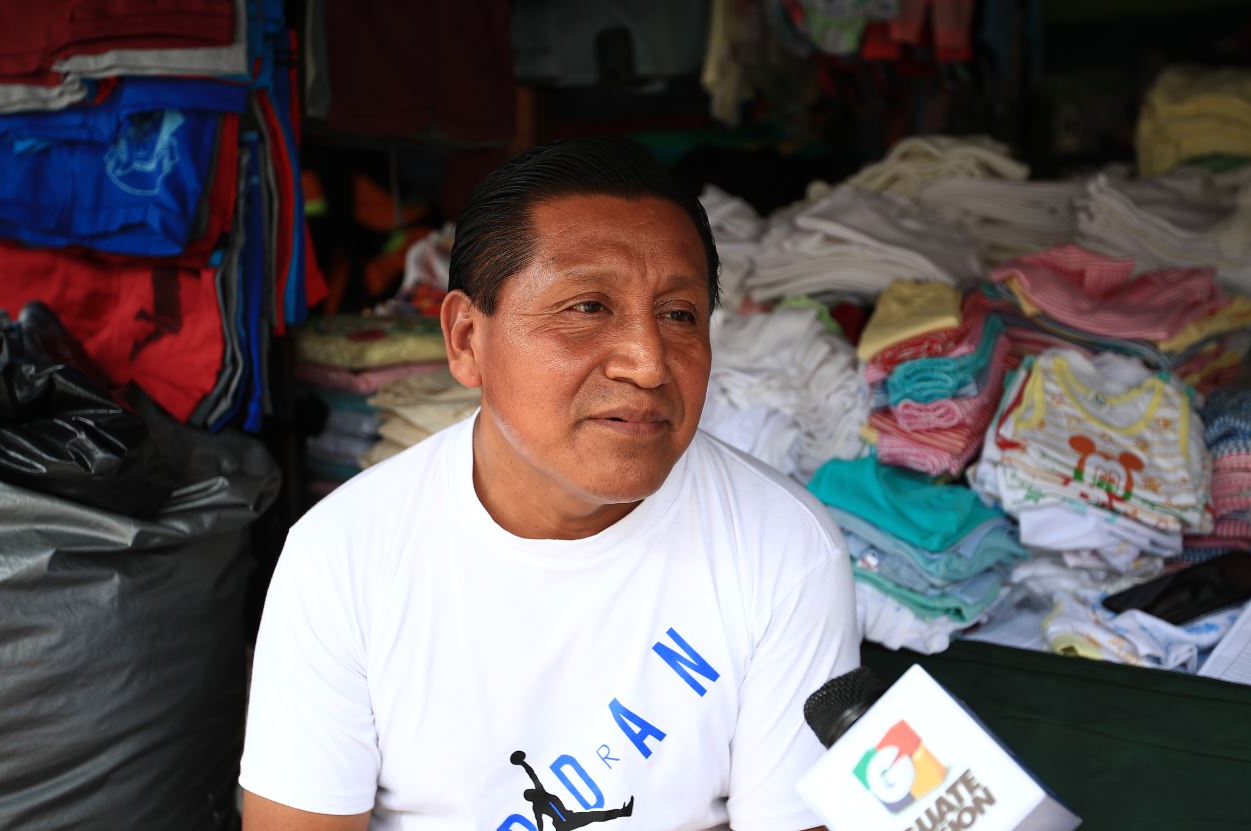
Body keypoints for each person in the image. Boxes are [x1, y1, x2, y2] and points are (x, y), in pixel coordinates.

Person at [239, 137, 858, 830]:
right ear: (467, 339)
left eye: (678, 314)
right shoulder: (343, 554)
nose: (648, 363)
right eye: (587, 307)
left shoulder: (784, 548)